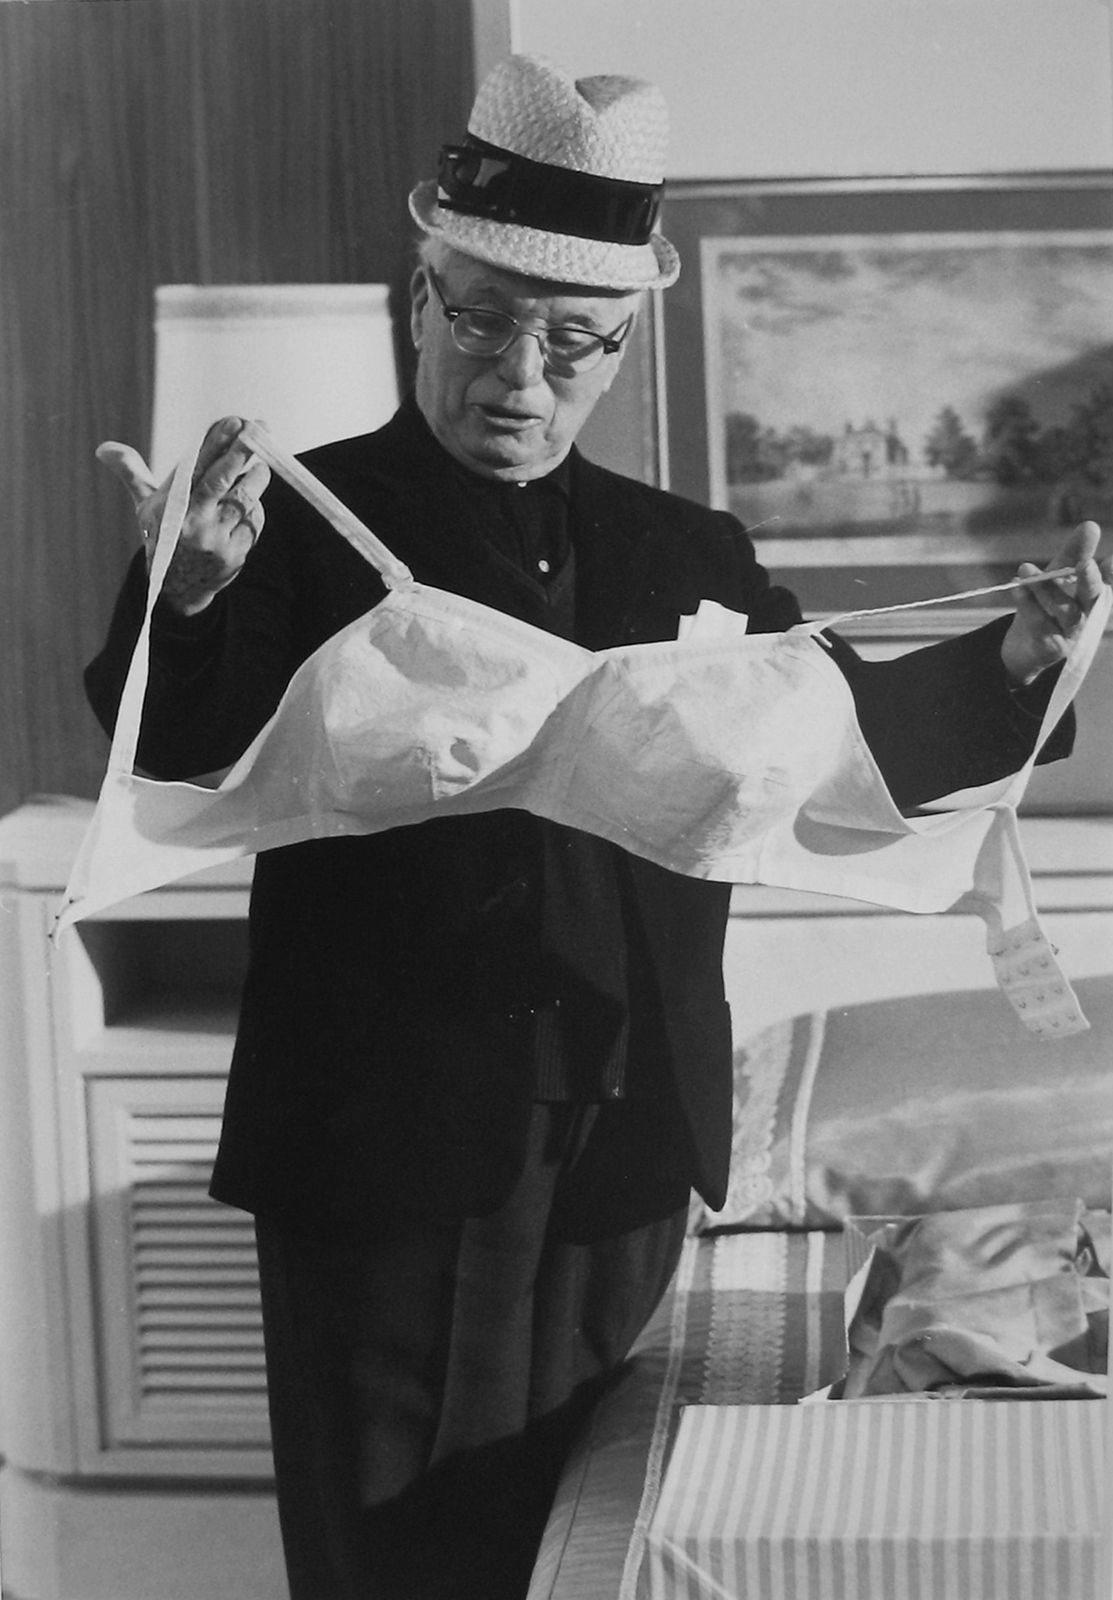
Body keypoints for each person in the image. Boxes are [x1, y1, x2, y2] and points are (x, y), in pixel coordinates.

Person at [86, 54, 1107, 1600]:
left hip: (628, 1149)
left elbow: (839, 746)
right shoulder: (293, 519)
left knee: (568, 1542)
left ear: (618, 348)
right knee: (386, 1560)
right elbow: (174, 748)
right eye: (485, 319)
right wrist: (195, 598)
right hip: (381, 1145)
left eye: (572, 342)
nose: (520, 374)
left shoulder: (688, 547)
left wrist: (1015, 668)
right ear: (418, 300)